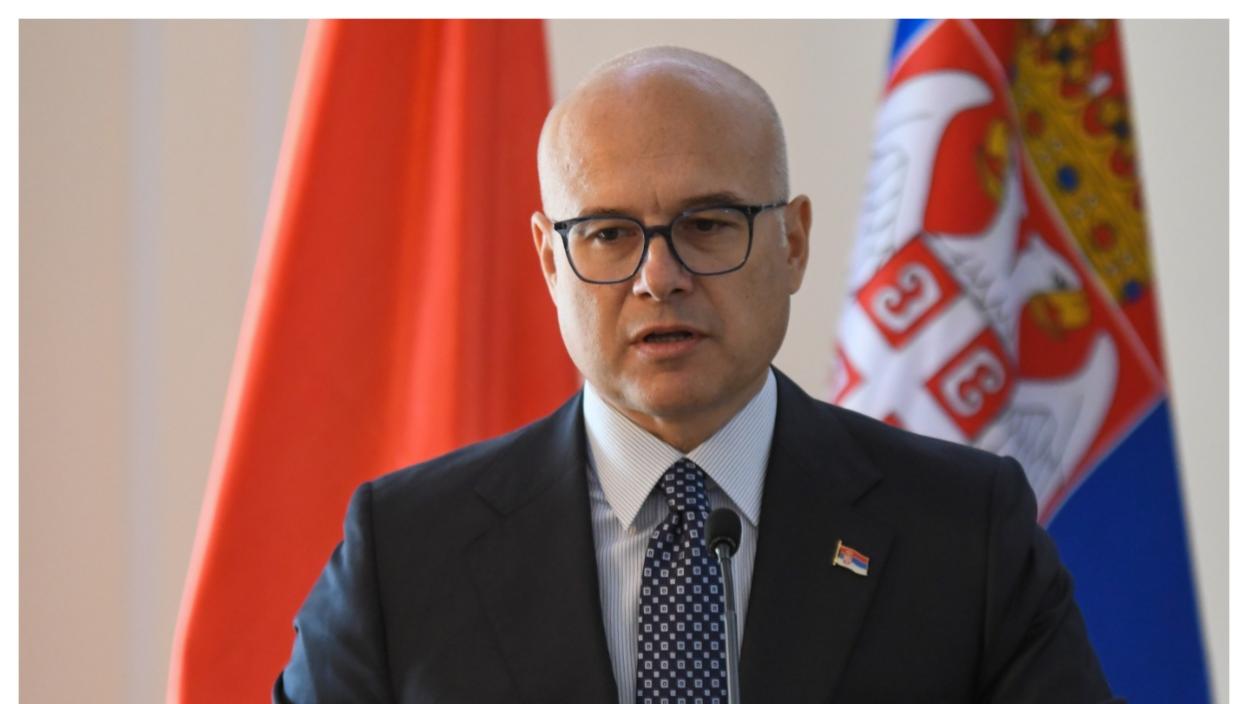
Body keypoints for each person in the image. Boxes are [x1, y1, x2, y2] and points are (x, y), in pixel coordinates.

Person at [274, 46, 1121, 703]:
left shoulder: (966, 533)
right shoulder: (404, 553)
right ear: (550, 262)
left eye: (707, 223)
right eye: (608, 234)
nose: (658, 277)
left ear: (792, 243)